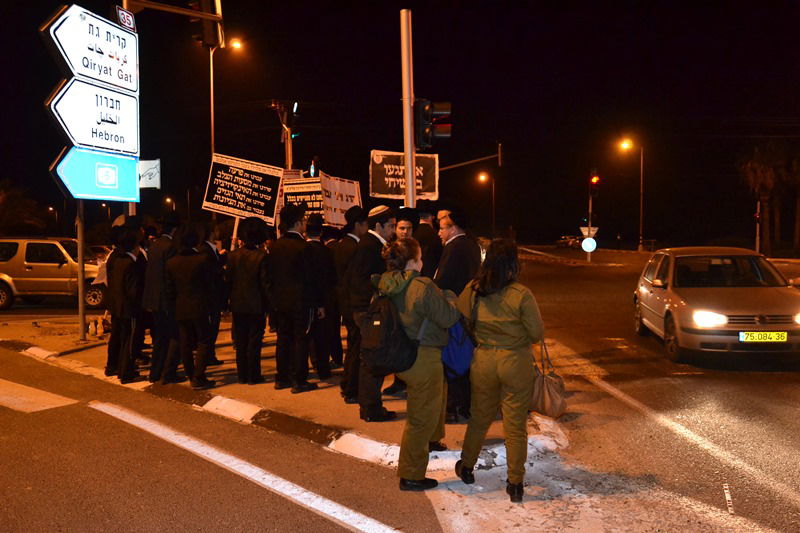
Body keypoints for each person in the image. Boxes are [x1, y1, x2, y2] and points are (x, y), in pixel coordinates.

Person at [453, 239, 544, 503]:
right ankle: (515, 483)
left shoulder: (474, 289)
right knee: (515, 425)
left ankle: (466, 466)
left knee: (479, 418)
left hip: (484, 361)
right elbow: (536, 333)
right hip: (515, 362)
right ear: (514, 263)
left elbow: (462, 314)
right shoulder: (521, 294)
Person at [375, 238, 460, 491]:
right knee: (420, 417)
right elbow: (448, 317)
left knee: (433, 398)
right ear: (412, 262)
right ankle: (411, 474)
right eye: (420, 258)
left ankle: (432, 440)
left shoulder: (386, 282)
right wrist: (450, 297)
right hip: (424, 356)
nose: (422, 262)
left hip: (402, 353)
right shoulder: (422, 286)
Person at [345, 205, 397, 421]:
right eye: (391, 226)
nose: (393, 230)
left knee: (370, 356)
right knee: (372, 358)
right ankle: (370, 408)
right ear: (378, 225)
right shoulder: (370, 246)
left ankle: (369, 405)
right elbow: (364, 280)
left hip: (365, 308)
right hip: (368, 309)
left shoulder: (370, 243)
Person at [435, 204, 482, 423]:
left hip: (454, 310)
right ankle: (466, 405)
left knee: (453, 359)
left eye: (442, 228)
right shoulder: (472, 244)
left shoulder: (454, 247)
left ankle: (454, 407)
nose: (439, 233)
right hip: (469, 307)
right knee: (466, 358)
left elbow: (443, 280)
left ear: (453, 228)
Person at [268, 203, 318, 394]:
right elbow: (310, 278)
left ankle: (282, 377)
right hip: (301, 301)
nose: (305, 223)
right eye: (303, 220)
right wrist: (317, 303)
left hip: (280, 301)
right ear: (297, 223)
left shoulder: (275, 247)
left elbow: (271, 276)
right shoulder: (304, 247)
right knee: (300, 339)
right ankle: (299, 380)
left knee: (283, 338)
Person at [165, 222, 216, 390]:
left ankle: (191, 373)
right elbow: (209, 285)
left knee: (185, 342)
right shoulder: (202, 259)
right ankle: (198, 376)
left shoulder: (172, 262)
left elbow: (170, 290)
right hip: (200, 306)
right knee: (204, 340)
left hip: (180, 307)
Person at [225, 217, 270, 384]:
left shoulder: (232, 256)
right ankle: (253, 374)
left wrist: (226, 302)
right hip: (256, 304)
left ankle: (242, 374)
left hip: (238, 303)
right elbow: (265, 284)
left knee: (241, 340)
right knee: (254, 341)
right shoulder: (262, 257)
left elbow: (228, 281)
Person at [334, 206, 368, 404]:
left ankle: (347, 383)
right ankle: (351, 389)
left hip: (344, 303)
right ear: (358, 225)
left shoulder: (341, 245)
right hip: (353, 304)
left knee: (352, 345)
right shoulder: (354, 248)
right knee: (356, 347)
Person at [142, 212, 180, 384]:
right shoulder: (171, 247)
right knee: (173, 337)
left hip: (153, 298)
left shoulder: (155, 245)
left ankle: (155, 372)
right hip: (166, 299)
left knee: (159, 338)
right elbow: (170, 275)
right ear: (175, 229)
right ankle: (168, 373)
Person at [106, 225, 144, 383]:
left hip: (117, 306)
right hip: (129, 309)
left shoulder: (118, 260)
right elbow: (133, 290)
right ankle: (127, 372)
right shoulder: (130, 264)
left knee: (120, 337)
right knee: (129, 340)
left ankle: (119, 367)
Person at [304, 214, 338, 379]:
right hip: (326, 299)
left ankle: (314, 362)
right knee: (323, 336)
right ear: (321, 232)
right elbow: (332, 278)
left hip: (307, 299)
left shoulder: (303, 251)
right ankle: (323, 369)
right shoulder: (327, 252)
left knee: (309, 336)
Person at [199, 222, 226, 366]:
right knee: (210, 328)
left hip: (214, 296)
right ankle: (207, 356)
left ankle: (210, 354)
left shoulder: (210, 249)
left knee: (213, 327)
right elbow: (210, 271)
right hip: (210, 296)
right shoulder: (205, 250)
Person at [322, 224, 344, 368]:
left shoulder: (326, 251)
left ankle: (334, 358)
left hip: (330, 295)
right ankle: (338, 357)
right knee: (336, 329)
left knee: (330, 329)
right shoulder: (343, 248)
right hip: (343, 293)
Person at [414, 200, 442, 279]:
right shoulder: (437, 235)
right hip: (431, 278)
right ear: (432, 216)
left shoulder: (412, 233)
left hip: (414, 277)